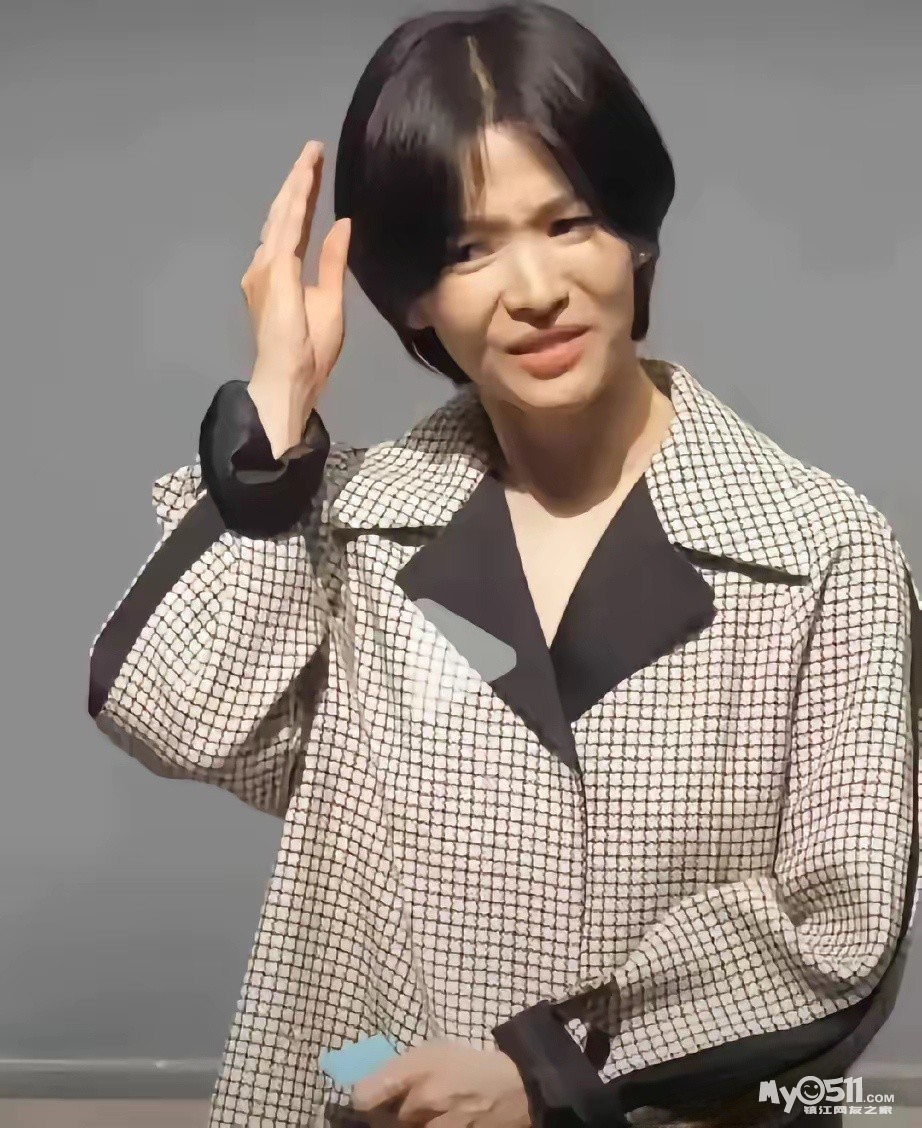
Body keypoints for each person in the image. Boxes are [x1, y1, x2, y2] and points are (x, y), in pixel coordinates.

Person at [87, 3, 920, 1127]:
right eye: (468, 249)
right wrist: (274, 412)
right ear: (413, 295)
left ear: (634, 235)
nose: (533, 289)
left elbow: (840, 932)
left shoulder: (819, 552)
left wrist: (550, 1071)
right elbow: (177, 720)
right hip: (384, 1105)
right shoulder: (348, 533)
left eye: (568, 222)